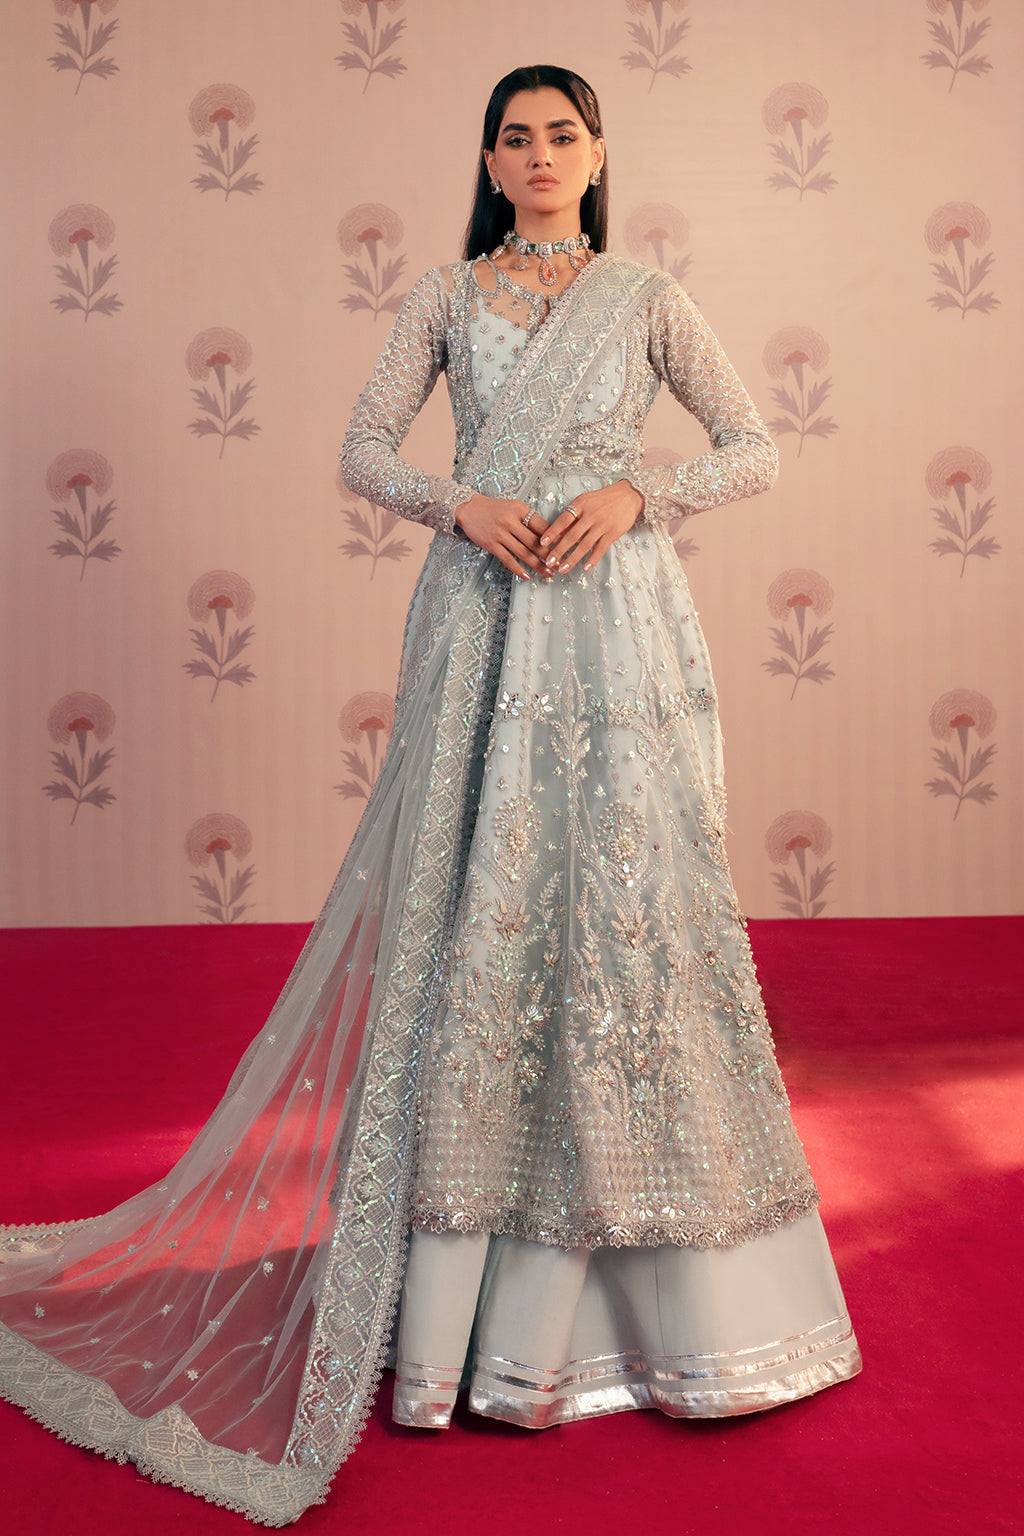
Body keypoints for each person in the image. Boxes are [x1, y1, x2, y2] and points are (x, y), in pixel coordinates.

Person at [0, 64, 860, 1527]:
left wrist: (638, 495)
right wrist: (458, 501)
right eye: (516, 137)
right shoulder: (448, 298)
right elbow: (360, 449)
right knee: (483, 910)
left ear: (598, 153)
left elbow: (755, 446)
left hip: (621, 630)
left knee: (628, 920)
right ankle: (454, 1323)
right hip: (478, 619)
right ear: (491, 160)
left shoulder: (647, 296)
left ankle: (659, 1320)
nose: (540, 155)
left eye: (563, 134)